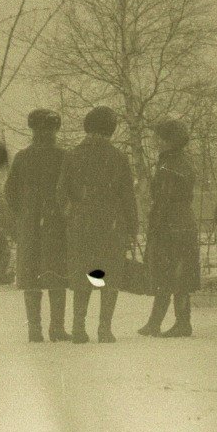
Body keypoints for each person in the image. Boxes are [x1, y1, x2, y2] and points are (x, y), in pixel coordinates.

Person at [57, 106, 138, 343]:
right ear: (110, 129)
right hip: (111, 226)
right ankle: (104, 329)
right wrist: (132, 227)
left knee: (83, 275)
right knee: (108, 276)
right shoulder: (118, 158)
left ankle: (78, 327)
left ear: (87, 126)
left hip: (82, 226)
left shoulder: (73, 156)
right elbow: (128, 197)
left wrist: (72, 215)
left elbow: (61, 194)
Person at [4, 109, 69, 342]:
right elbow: (70, 191)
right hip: (55, 224)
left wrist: (24, 213)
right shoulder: (63, 156)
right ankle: (57, 328)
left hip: (30, 225)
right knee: (56, 275)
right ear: (54, 130)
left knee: (31, 277)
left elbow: (9, 192)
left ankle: (34, 329)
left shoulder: (23, 157)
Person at [139, 118, 200, 338]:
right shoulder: (183, 162)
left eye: (158, 137)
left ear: (168, 140)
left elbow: (163, 198)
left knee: (165, 273)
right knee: (179, 274)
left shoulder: (167, 165)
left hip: (169, 223)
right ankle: (170, 322)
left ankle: (172, 323)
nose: (155, 141)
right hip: (184, 222)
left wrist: (154, 224)